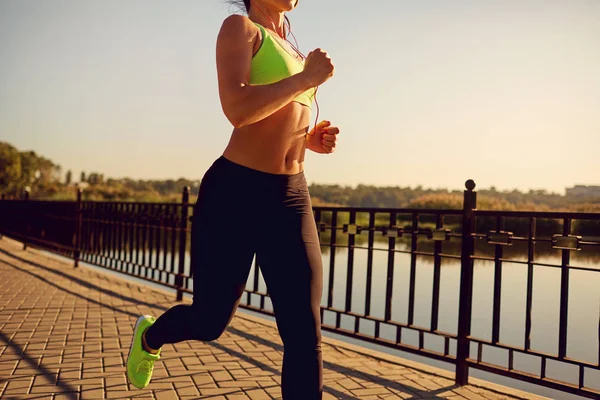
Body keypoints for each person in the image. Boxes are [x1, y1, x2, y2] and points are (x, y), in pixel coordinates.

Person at [126, 0, 337, 398]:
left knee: (304, 333)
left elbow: (278, 118)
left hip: (291, 196)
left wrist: (308, 140)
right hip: (235, 193)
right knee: (209, 322)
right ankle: (150, 337)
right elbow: (238, 109)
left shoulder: (292, 47)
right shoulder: (240, 29)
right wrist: (307, 76)